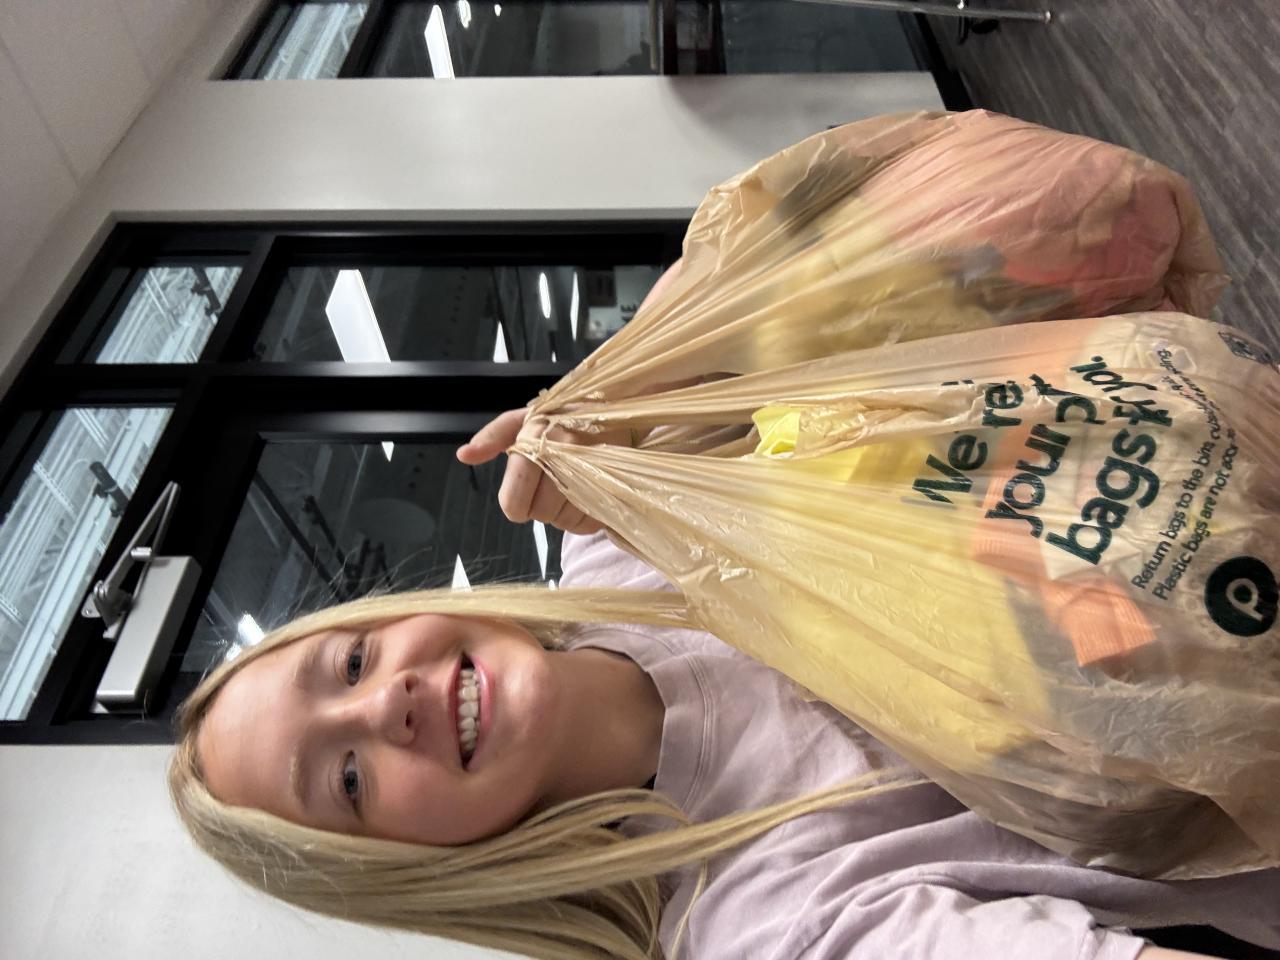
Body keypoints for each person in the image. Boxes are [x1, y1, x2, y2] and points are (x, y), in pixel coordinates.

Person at [169, 262, 1280, 960]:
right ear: (404, 867)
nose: (388, 705)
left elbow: (881, 257)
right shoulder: (766, 920)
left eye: (351, 664)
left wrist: (639, 388)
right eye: (348, 781)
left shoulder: (622, 531)